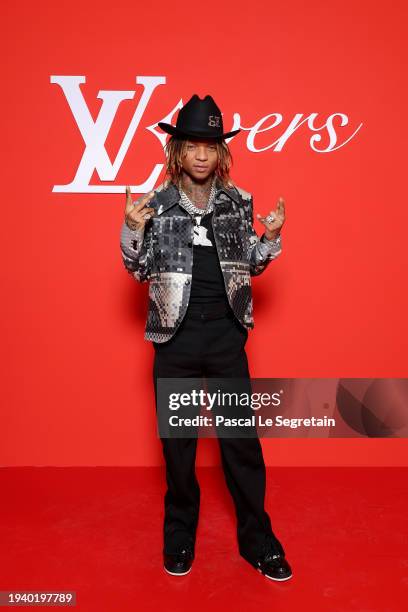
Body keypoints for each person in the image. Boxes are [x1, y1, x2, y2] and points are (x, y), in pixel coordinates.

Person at [120, 94, 292, 581]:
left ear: (221, 154)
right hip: (173, 339)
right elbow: (136, 270)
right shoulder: (155, 204)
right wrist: (131, 230)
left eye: (210, 147)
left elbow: (252, 265)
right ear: (177, 151)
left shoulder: (239, 203)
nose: (201, 155)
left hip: (225, 335)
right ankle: (179, 539)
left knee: (240, 444)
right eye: (192, 145)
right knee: (178, 448)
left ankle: (260, 542)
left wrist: (272, 238)